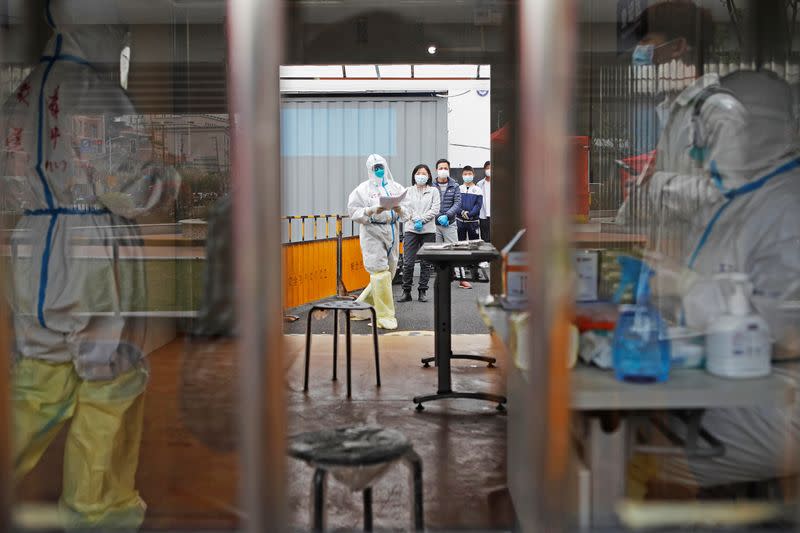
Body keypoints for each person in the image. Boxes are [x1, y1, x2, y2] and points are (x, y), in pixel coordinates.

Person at [2, 2, 179, 529]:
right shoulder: (99, 94)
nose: (121, 36)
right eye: (116, 27)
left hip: (32, 246)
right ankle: (97, 510)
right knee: (110, 381)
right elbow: (129, 188)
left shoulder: (23, 93)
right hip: (91, 248)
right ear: (95, 26)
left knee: (38, 379)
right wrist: (170, 181)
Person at [622, 1, 800, 493]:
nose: (701, 149)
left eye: (712, 137)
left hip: (773, 399)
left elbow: (783, 327)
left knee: (637, 453)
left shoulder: (788, 207)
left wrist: (684, 287)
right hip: (734, 374)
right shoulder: (744, 199)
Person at [348, 154, 405, 330]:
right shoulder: (362, 189)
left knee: (390, 273)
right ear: (370, 170)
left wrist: (401, 209)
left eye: (381, 166)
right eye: (375, 168)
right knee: (380, 273)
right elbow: (353, 211)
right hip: (372, 232)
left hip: (392, 230)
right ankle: (385, 316)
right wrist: (371, 210)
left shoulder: (395, 186)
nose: (379, 170)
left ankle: (361, 308)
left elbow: (407, 204)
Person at [397, 164, 440, 303]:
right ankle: (406, 291)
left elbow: (435, 209)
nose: (421, 175)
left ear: (428, 176)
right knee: (408, 262)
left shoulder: (434, 191)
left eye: (424, 173)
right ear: (414, 175)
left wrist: (422, 220)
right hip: (411, 230)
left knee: (426, 263)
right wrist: (416, 219)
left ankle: (422, 291)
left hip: (428, 230)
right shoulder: (408, 191)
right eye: (418, 173)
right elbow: (405, 208)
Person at [455, 166, 483, 289]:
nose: (467, 175)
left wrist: (469, 214)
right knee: (460, 245)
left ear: (473, 174)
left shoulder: (477, 190)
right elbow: (455, 203)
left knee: (474, 246)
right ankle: (462, 272)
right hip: (460, 221)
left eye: (469, 173)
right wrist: (461, 213)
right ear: (462, 175)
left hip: (473, 221)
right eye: (465, 173)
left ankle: (475, 271)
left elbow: (478, 206)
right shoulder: (458, 188)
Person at [477, 160, 491, 243]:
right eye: (487, 168)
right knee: (485, 240)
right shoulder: (480, 184)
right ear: (484, 169)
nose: (489, 170)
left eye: (491, 168)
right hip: (483, 216)